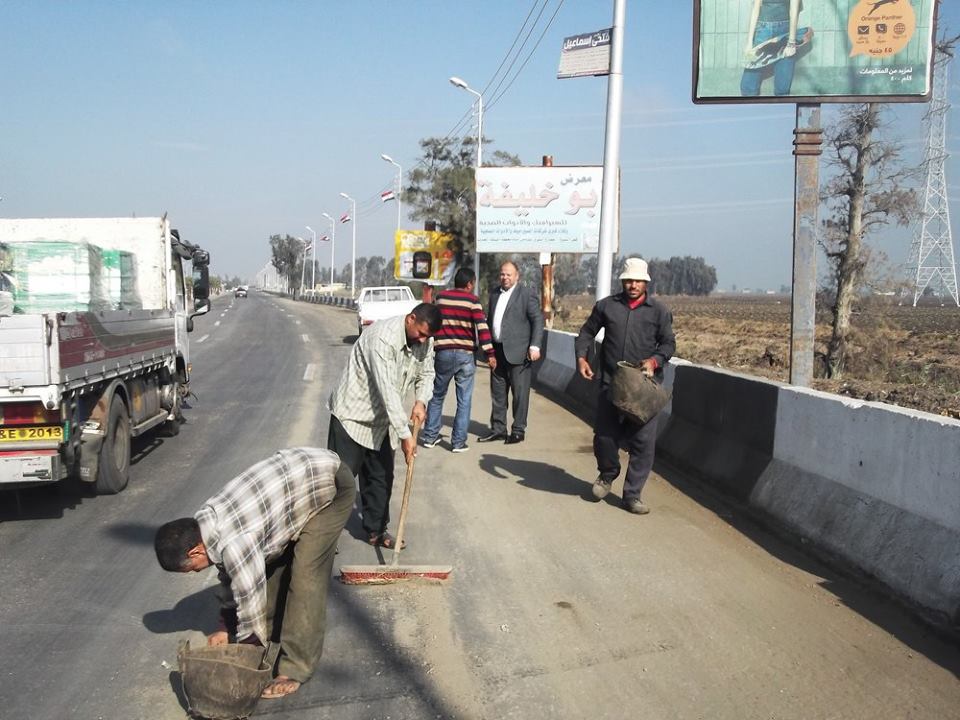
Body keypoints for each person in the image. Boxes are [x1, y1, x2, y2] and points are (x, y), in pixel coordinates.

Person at [154, 447, 355, 699]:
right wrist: (224, 626)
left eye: (188, 569)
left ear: (194, 551)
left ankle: (296, 667)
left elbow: (250, 599)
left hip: (329, 486)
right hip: (297, 487)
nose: (192, 572)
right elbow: (230, 573)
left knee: (305, 577)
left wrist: (246, 663)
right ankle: (271, 639)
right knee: (271, 572)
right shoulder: (202, 523)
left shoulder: (234, 543)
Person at [328, 303, 442, 548]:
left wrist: (421, 401)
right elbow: (388, 391)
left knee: (380, 478)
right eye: (421, 334)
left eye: (428, 337)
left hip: (383, 422)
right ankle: (325, 538)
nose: (423, 340)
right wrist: (406, 436)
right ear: (411, 319)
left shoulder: (425, 341)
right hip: (353, 416)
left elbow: (427, 373)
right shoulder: (383, 339)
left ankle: (377, 531)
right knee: (340, 481)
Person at [575, 258, 675, 515]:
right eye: (629, 280)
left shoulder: (659, 312)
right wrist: (582, 358)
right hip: (611, 383)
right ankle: (607, 473)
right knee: (604, 436)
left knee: (642, 444)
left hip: (643, 388)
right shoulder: (607, 306)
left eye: (638, 281)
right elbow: (586, 332)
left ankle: (632, 495)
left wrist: (655, 361)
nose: (632, 285)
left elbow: (668, 344)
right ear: (622, 281)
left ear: (646, 283)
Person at [420, 267, 497, 453]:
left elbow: (433, 321)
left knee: (437, 395)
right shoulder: (473, 301)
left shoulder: (441, 298)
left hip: (443, 353)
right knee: (464, 399)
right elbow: (482, 328)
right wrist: (490, 354)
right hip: (465, 355)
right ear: (470, 283)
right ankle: (458, 442)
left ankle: (430, 436)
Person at [479, 260, 544, 445]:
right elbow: (490, 320)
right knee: (498, 394)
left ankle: (518, 430)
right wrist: (488, 349)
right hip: (497, 352)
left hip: (519, 352)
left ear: (517, 276)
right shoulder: (493, 294)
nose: (505, 277)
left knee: (520, 394)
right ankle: (498, 429)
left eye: (508, 274)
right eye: (502, 274)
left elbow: (537, 320)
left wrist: (535, 346)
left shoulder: (526, 294)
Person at [740, 0, 810, 97]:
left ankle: (782, 110)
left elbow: (794, 10)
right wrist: (749, 42)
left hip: (786, 31)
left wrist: (791, 43)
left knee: (782, 88)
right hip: (763, 30)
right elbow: (755, 9)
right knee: (748, 85)